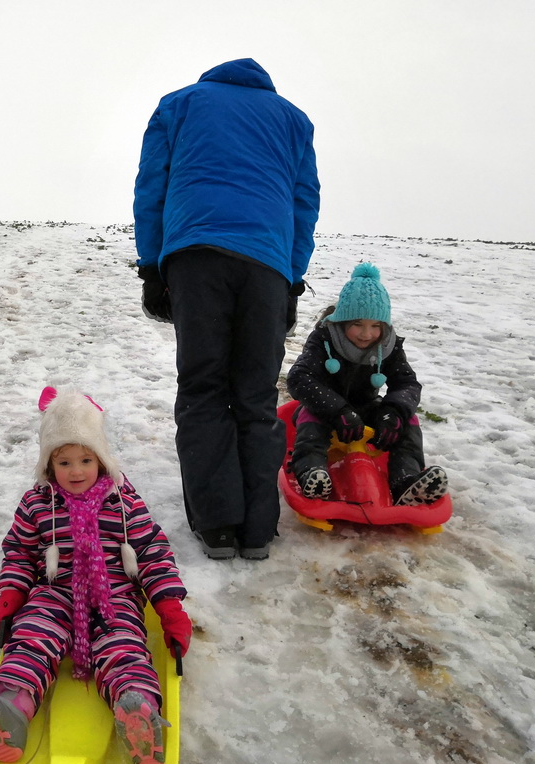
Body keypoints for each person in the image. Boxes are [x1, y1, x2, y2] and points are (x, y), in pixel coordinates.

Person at [133, 58, 320, 561]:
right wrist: (291, 278)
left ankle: (217, 526)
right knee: (256, 394)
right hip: (267, 265)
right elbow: (305, 203)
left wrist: (152, 266)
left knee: (204, 387)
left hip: (196, 257)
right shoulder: (294, 120)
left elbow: (152, 186)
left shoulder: (179, 104)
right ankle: (257, 530)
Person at [0, 386, 192, 764]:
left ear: (101, 458)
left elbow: (152, 552)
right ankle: (11, 709)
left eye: (86, 459)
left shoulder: (123, 502)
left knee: (122, 647)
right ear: (49, 465)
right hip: (54, 591)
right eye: (64, 462)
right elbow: (20, 552)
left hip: (113, 594)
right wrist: (12, 594)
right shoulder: (38, 503)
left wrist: (169, 606)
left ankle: (138, 715)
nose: (76, 471)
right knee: (32, 637)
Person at [286, 263, 448, 505]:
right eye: (358, 325)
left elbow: (407, 383)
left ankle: (406, 480)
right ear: (343, 321)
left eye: (375, 326)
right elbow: (299, 377)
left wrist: (393, 412)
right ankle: (311, 473)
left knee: (408, 421)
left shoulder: (389, 346)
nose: (366, 334)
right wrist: (338, 410)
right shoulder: (324, 339)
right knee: (310, 420)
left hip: (366, 408)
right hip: (326, 408)